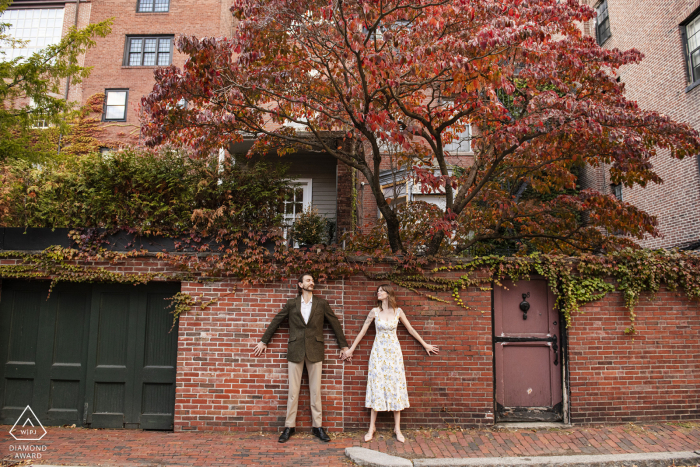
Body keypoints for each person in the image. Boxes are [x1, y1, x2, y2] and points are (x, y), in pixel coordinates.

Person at [252, 273, 351, 443]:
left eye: (312, 280)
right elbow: (277, 321)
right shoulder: (292, 304)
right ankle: (289, 427)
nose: (311, 282)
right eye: (308, 280)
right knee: (293, 392)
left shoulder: (322, 304)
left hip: (315, 350)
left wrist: (344, 346)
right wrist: (263, 341)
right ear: (300, 285)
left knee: (315, 391)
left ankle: (317, 427)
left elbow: (334, 323)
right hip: (295, 350)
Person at [344, 284, 439, 443]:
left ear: (388, 294)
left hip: (394, 354)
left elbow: (411, 330)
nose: (378, 292)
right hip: (378, 354)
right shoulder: (374, 312)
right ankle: (371, 427)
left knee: (396, 385)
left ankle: (397, 428)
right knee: (377, 385)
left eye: (381, 290)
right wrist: (351, 349)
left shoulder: (398, 311)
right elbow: (363, 331)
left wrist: (425, 344)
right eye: (378, 291)